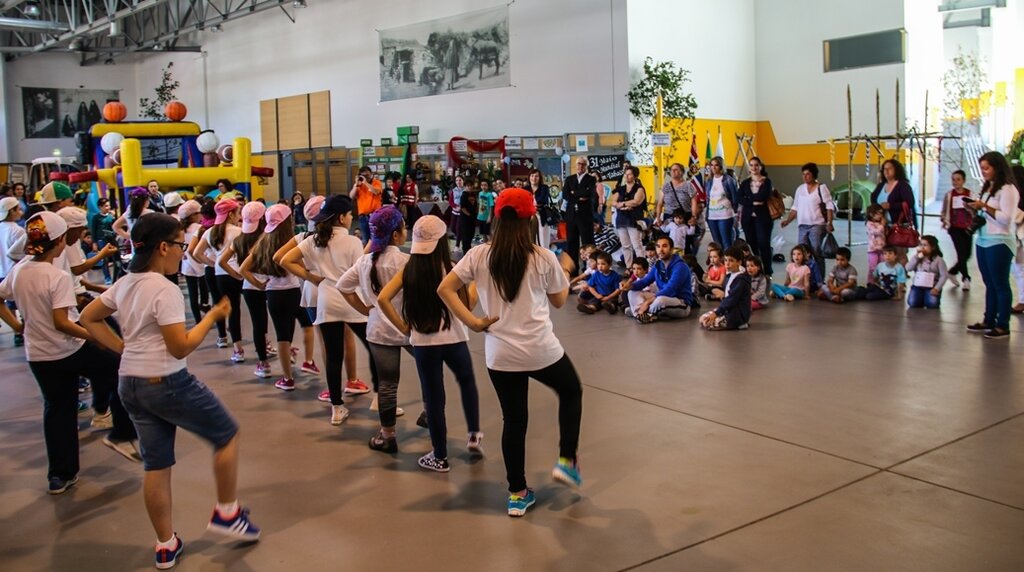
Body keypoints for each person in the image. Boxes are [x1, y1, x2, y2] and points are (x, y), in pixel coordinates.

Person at [80, 213, 259, 569]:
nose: (183, 251)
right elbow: (179, 347)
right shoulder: (164, 289)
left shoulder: (126, 282)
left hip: (130, 383)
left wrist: (122, 349)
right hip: (167, 381)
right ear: (163, 247)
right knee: (226, 434)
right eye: (179, 244)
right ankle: (227, 512)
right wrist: (211, 316)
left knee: (156, 464)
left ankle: (165, 544)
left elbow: (88, 317)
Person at [438, 188, 582, 517]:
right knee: (571, 391)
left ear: (496, 218)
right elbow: (559, 301)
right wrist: (567, 270)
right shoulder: (543, 256)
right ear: (531, 218)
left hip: (500, 355)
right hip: (541, 350)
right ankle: (567, 461)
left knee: (514, 421)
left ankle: (517, 493)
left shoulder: (479, 255)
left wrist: (473, 322)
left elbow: (444, 288)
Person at [0, 211, 140, 496]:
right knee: (119, 369)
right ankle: (121, 433)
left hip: (39, 355)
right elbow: (62, 322)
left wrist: (19, 327)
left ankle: (60, 475)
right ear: (60, 241)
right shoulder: (57, 277)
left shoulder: (20, 270)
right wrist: (95, 337)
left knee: (57, 409)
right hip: (69, 349)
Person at [378, 215, 481, 472]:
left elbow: (383, 298)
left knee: (434, 399)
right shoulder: (451, 268)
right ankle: (473, 435)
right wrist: (475, 285)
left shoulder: (409, 269)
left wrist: (402, 326)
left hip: (423, 343)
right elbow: (466, 307)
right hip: (455, 339)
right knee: (467, 383)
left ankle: (440, 456)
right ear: (443, 241)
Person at [280, 195, 378, 424]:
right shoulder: (352, 242)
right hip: (352, 301)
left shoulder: (314, 239)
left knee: (333, 356)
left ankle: (337, 408)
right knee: (374, 348)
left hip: (326, 302)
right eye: (350, 214)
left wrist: (310, 277)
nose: (352, 217)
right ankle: (379, 398)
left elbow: (285, 260)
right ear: (342, 217)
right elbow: (361, 270)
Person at [337, 206, 419, 452]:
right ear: (396, 235)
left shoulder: (364, 262)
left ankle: (387, 435)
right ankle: (431, 416)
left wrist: (365, 309)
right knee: (429, 375)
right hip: (409, 328)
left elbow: (343, 286)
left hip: (379, 330)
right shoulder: (406, 261)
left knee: (387, 385)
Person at [241, 204, 306, 389]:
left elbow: (243, 269)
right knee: (289, 331)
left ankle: (287, 378)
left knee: (281, 336)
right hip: (293, 291)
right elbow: (303, 267)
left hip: (273, 293)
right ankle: (293, 364)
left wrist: (259, 284)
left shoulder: (263, 242)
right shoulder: (292, 241)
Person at [965, 151, 1020, 339]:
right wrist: (975, 209)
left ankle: (1003, 324)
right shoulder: (989, 188)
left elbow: (1006, 219)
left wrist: (985, 207)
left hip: (1000, 241)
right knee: (989, 283)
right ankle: (989, 319)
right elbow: (986, 215)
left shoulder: (1008, 190)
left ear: (997, 167)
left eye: (987, 168)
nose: (984, 172)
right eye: (982, 168)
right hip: (983, 240)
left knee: (1000, 284)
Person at [192, 199, 245, 360]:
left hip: (219, 275)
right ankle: (242, 347)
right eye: (237, 213)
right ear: (230, 214)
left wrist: (214, 263)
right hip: (237, 273)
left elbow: (196, 253)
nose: (239, 217)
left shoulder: (210, 232)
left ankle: (228, 342)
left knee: (221, 306)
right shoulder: (238, 232)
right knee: (236, 310)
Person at [221, 202, 269, 372]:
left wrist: (238, 275)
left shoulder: (240, 239)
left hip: (249, 285)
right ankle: (277, 348)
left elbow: (221, 261)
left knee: (257, 322)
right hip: (271, 284)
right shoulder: (267, 238)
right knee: (269, 322)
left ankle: (263, 363)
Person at [626, 235, 695, 323]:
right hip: (662, 297)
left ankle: (638, 312)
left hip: (681, 303)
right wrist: (630, 286)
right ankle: (643, 315)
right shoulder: (658, 265)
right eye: (658, 246)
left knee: (660, 300)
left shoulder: (680, 266)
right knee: (632, 292)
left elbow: (670, 289)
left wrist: (647, 303)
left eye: (664, 246)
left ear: (671, 249)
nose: (661, 250)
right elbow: (645, 281)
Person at [781, 163, 834, 272]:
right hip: (802, 226)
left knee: (816, 251)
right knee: (802, 253)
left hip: (817, 225)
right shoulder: (800, 189)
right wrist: (788, 221)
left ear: (814, 175)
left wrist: (829, 222)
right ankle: (806, 276)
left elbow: (829, 205)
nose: (805, 177)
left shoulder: (821, 188)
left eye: (808, 174)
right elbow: (795, 207)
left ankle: (819, 279)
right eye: (803, 174)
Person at [870, 158, 916, 264]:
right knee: (885, 254)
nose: (886, 171)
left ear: (896, 170)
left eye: (889, 168)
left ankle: (901, 277)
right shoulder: (881, 185)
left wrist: (891, 206)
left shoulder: (903, 186)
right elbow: (873, 198)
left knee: (900, 254)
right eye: (884, 169)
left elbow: (910, 203)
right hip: (883, 226)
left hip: (898, 225)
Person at [738, 157, 775, 277]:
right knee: (751, 244)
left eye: (756, 165)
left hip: (763, 218)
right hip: (748, 219)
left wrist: (749, 199)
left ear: (760, 167)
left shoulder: (767, 181)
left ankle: (767, 270)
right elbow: (739, 198)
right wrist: (753, 202)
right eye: (752, 165)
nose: (754, 168)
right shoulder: (745, 183)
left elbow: (763, 196)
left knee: (763, 243)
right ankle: (755, 269)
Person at [699, 246, 751, 330]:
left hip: (737, 315)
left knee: (706, 322)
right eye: (726, 260)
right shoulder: (731, 274)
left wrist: (716, 313)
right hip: (729, 310)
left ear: (739, 262)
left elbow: (731, 299)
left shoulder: (741, 280)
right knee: (703, 318)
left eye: (731, 261)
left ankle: (740, 323)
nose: (727, 264)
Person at [562, 157, 597, 274]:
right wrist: (579, 196)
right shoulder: (570, 179)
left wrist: (574, 193)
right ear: (575, 165)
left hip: (585, 215)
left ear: (586, 166)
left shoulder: (591, 179)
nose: (581, 166)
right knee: (571, 242)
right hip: (571, 215)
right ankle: (573, 269)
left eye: (583, 164)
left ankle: (589, 268)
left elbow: (590, 193)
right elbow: (566, 194)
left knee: (587, 242)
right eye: (579, 164)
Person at [941, 170, 973, 290]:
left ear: (963, 180)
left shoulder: (970, 194)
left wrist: (969, 207)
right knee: (961, 253)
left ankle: (953, 271)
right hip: (954, 228)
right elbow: (944, 210)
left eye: (958, 179)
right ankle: (966, 278)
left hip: (967, 227)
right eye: (953, 179)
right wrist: (944, 219)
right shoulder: (949, 195)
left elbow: (975, 211)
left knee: (967, 254)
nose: (955, 182)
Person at [0, 197, 26, 345]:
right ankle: (23, 329)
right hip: (14, 272)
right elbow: (21, 254)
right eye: (18, 209)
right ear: (12, 211)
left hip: (1, 271)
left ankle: (16, 331)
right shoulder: (17, 230)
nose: (20, 212)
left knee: (6, 304)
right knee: (21, 303)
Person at [612, 166, 647, 268]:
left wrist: (622, 204)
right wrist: (625, 206)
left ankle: (642, 267)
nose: (627, 176)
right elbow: (614, 202)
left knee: (637, 245)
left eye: (629, 174)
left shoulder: (639, 188)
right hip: (621, 219)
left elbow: (636, 202)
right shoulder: (620, 189)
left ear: (635, 175)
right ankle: (629, 267)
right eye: (625, 174)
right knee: (625, 246)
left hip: (633, 219)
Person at [703, 156, 738, 248]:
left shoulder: (728, 180)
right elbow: (708, 199)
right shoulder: (709, 181)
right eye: (712, 165)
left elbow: (735, 197)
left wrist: (735, 213)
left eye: (716, 165)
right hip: (712, 216)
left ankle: (728, 261)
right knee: (717, 244)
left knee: (726, 243)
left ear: (721, 166)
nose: (714, 167)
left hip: (725, 215)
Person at [906, 235, 948, 310]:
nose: (922, 247)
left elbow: (944, 275)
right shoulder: (917, 257)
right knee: (912, 303)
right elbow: (908, 268)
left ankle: (929, 297)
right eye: (921, 245)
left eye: (925, 245)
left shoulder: (939, 260)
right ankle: (921, 297)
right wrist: (916, 258)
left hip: (932, 286)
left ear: (933, 247)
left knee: (932, 304)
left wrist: (937, 288)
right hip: (918, 285)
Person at [113, 187, 156, 253]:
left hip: (135, 250)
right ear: (145, 201)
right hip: (149, 249)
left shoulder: (129, 211)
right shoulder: (150, 213)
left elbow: (115, 226)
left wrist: (129, 237)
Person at [350, 167, 383, 246]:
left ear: (371, 174)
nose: (366, 177)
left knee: (377, 238)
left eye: (367, 175)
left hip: (375, 215)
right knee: (366, 239)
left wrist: (366, 183)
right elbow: (351, 196)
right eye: (363, 176)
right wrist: (356, 185)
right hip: (363, 216)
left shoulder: (376, 182)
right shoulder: (359, 185)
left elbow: (376, 191)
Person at [90, 197, 117, 283]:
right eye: (106, 206)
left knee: (115, 257)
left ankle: (116, 275)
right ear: (100, 207)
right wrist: (94, 242)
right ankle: (107, 277)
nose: (108, 208)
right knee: (104, 259)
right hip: (101, 240)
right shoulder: (96, 217)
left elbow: (115, 227)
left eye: (108, 206)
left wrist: (113, 217)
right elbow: (93, 230)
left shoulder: (110, 216)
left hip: (111, 239)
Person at [864, 204, 887, 284]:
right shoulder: (869, 224)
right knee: (872, 267)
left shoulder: (880, 224)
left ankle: (880, 282)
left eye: (881, 213)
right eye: (878, 213)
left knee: (882, 266)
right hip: (873, 249)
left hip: (881, 248)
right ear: (871, 214)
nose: (880, 216)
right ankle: (871, 282)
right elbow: (875, 232)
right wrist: (882, 225)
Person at [458, 186, 479, 254]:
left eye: (471, 186)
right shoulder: (463, 195)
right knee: (465, 234)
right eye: (468, 186)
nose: (470, 188)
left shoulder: (473, 195)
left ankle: (469, 248)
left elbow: (476, 205)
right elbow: (463, 207)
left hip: (473, 217)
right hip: (465, 218)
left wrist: (475, 213)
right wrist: (469, 214)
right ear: (465, 187)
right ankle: (465, 250)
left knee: (471, 233)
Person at [477, 179, 496, 243]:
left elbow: (491, 206)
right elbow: (479, 204)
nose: (483, 187)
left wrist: (489, 217)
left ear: (488, 186)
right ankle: (484, 245)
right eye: (482, 185)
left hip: (487, 217)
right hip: (480, 216)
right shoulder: (480, 193)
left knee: (488, 233)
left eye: (485, 185)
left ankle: (491, 245)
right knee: (483, 233)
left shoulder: (489, 195)